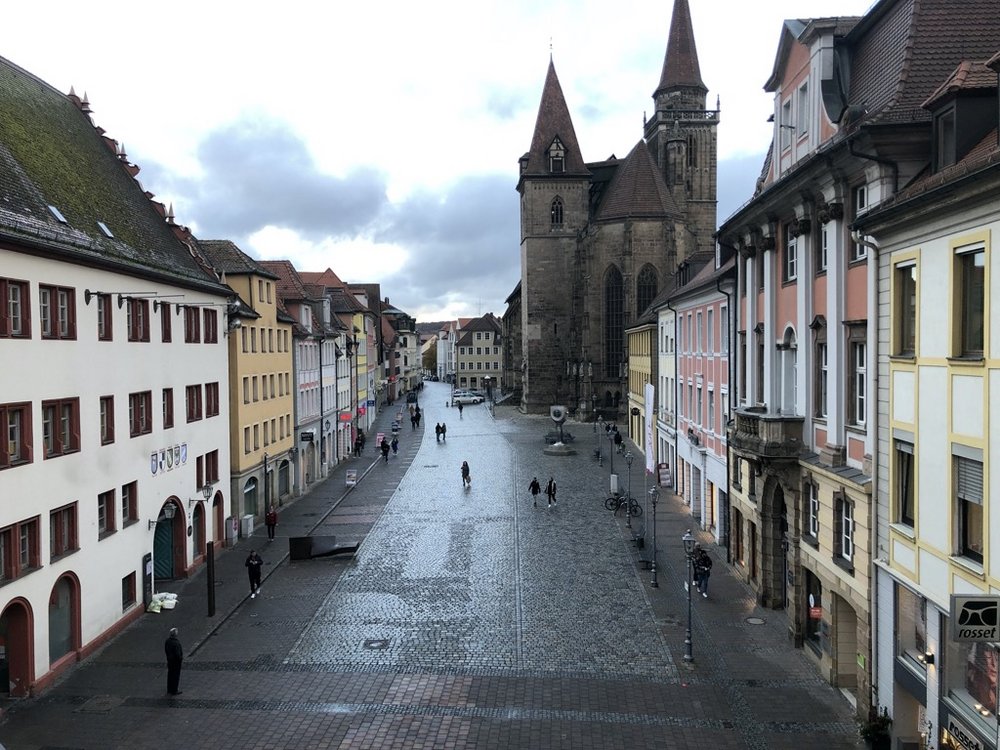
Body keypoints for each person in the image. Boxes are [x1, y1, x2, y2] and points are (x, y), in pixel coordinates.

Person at [164, 627, 184, 695]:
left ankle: (169, 689)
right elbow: (177, 654)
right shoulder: (176, 643)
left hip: (170, 661)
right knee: (175, 676)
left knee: (170, 675)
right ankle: (174, 690)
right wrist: (181, 658)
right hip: (176, 662)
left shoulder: (167, 641)